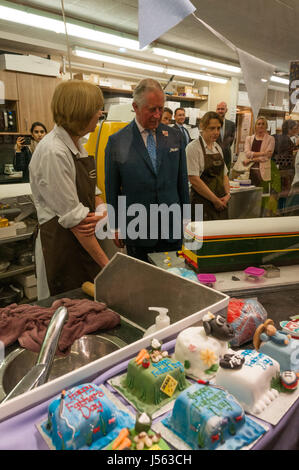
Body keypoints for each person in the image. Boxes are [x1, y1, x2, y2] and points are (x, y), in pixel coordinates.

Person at [29, 80, 109, 300]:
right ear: (81, 112)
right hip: (60, 245)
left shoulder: (77, 144)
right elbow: (77, 222)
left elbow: (92, 189)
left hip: (81, 244)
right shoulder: (53, 151)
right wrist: (108, 266)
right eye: (97, 109)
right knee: (65, 305)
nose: (100, 113)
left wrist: (102, 210)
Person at [105, 78, 190, 263]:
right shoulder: (117, 141)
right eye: (152, 109)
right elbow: (111, 188)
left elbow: (182, 181)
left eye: (161, 108)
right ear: (135, 107)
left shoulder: (175, 136)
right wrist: (115, 225)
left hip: (171, 227)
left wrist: (187, 219)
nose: (158, 115)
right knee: (141, 284)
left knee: (174, 278)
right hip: (138, 229)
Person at [186, 111, 230, 221]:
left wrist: (227, 195)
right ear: (203, 127)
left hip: (220, 202)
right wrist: (215, 200)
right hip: (201, 203)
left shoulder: (218, 148)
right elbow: (194, 180)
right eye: (212, 128)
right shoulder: (193, 148)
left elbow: (224, 175)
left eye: (218, 128)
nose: (216, 132)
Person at [273, 119, 299, 211]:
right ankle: (282, 212)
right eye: (295, 128)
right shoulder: (286, 139)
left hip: (280, 170)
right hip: (286, 171)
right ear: (289, 129)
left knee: (281, 194)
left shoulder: (281, 138)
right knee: (284, 195)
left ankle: (280, 211)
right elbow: (285, 157)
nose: (297, 130)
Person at [215, 101, 236, 172]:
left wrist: (224, 147)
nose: (220, 111)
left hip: (227, 155)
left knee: (226, 178)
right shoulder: (211, 123)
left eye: (222, 109)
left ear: (226, 110)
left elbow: (231, 141)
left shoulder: (231, 124)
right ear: (216, 110)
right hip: (214, 155)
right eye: (218, 109)